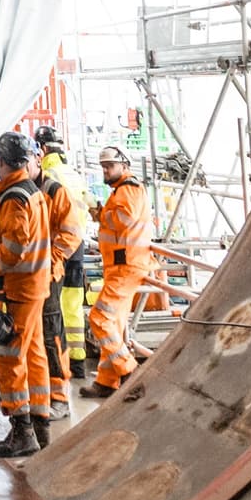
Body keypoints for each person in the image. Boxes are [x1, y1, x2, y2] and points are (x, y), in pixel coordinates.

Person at [0, 133, 62, 460]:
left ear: (0, 162)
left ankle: (22, 431)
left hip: (16, 289)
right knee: (33, 355)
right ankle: (40, 426)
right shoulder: (31, 191)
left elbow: (15, 246)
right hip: (33, 288)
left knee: (9, 356)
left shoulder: (14, 198)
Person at [85, 143, 154, 396]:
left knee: (100, 318)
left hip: (126, 266)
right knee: (113, 321)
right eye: (103, 167)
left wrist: (102, 215)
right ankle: (107, 380)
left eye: (109, 166)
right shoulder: (121, 190)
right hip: (120, 265)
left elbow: (125, 219)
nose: (105, 171)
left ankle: (129, 372)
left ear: (124, 165)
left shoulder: (129, 189)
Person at [31, 125, 92, 410]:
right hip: (76, 248)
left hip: (56, 250)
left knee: (53, 317)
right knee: (72, 306)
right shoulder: (74, 173)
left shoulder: (49, 178)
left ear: (41, 151)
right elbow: (89, 205)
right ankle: (77, 364)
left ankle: (59, 382)